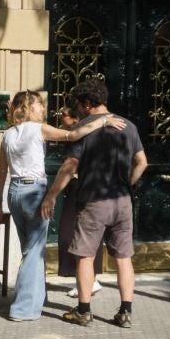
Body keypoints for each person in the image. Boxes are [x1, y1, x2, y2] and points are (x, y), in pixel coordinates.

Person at [0, 91, 122, 321]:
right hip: (33, 191)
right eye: (39, 104)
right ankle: (22, 308)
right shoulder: (38, 128)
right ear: (29, 107)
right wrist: (103, 121)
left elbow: (2, 171)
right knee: (33, 252)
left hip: (14, 193)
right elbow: (73, 135)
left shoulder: (7, 134)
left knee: (29, 249)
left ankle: (36, 298)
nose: (43, 108)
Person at [40, 79, 147, 328]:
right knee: (123, 257)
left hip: (94, 200)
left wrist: (51, 194)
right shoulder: (128, 126)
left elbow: (70, 165)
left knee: (85, 256)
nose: (76, 108)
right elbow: (142, 162)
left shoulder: (85, 127)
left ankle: (84, 311)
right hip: (122, 201)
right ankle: (125, 312)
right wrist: (126, 184)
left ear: (87, 103)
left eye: (78, 103)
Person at [56, 104, 106, 298]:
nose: (61, 118)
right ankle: (87, 280)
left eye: (64, 115)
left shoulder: (80, 137)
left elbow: (72, 164)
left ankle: (89, 280)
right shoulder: (72, 135)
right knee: (73, 233)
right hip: (78, 187)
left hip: (82, 186)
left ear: (75, 119)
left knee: (74, 233)